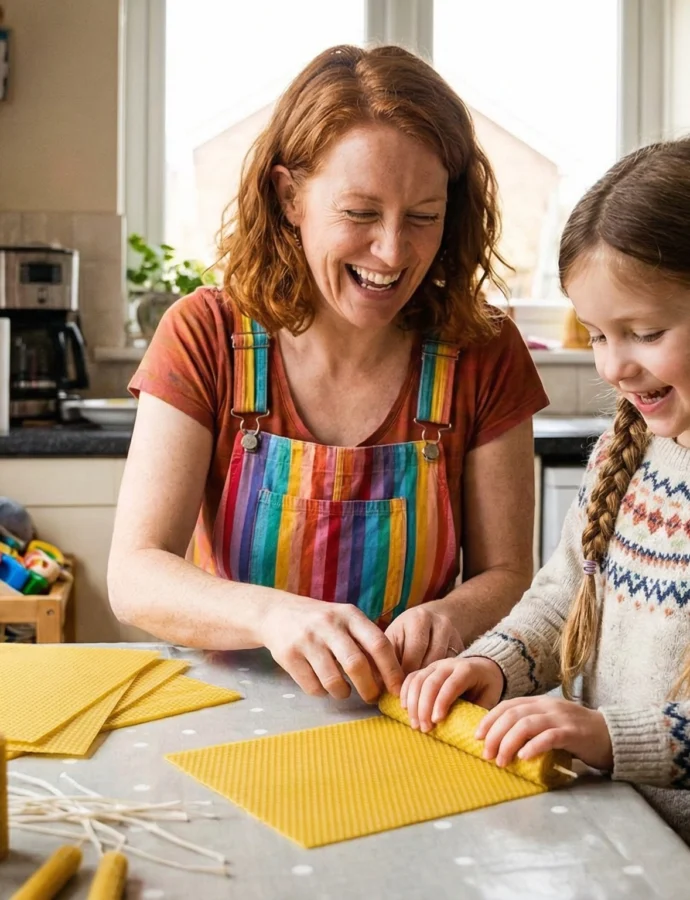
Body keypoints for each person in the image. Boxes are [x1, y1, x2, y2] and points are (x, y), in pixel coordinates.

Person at [108, 45, 549, 705]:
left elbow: (509, 573)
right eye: (361, 213)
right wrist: (273, 615)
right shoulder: (205, 337)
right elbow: (135, 576)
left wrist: (456, 617)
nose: (393, 251)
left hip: (413, 714)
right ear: (290, 197)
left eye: (423, 217)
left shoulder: (484, 350)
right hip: (226, 712)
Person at [401, 137, 690, 842]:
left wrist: (608, 735)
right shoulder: (628, 455)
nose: (614, 365)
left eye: (645, 332)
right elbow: (564, 600)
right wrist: (491, 665)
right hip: (625, 834)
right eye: (596, 335)